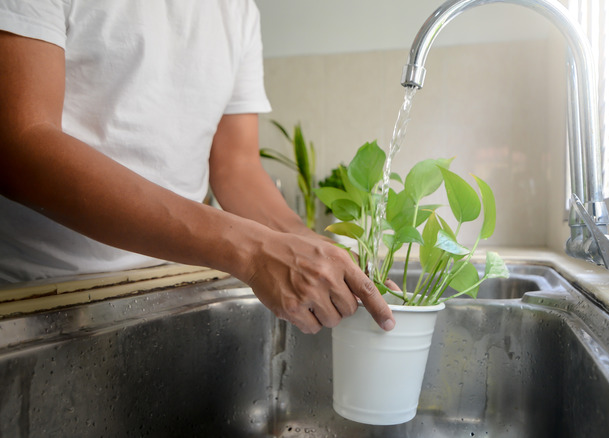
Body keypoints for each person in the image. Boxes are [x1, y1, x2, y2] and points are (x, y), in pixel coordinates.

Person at [0, 1, 395, 334]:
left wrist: (305, 242)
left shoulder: (237, 9)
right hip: (40, 299)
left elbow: (235, 167)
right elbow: (19, 144)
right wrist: (253, 251)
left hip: (174, 290)